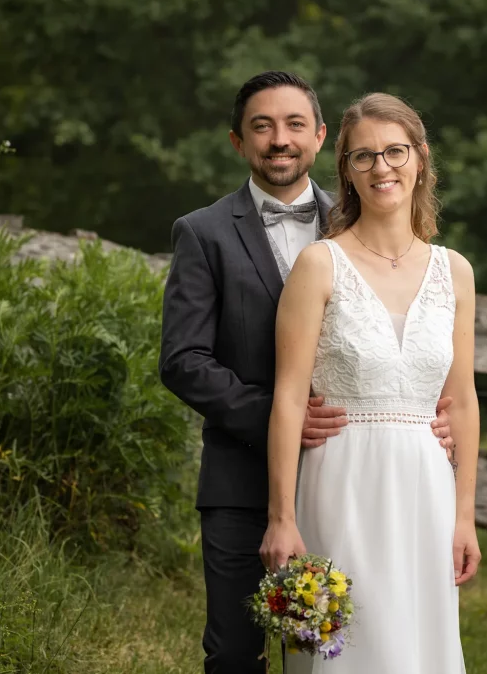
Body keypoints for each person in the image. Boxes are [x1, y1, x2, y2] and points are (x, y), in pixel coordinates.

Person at [158, 72, 455, 674]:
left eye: (295, 125)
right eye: (261, 127)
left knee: (351, 645)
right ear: (238, 142)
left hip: (355, 481)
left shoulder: (364, 223)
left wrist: (426, 416)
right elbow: (183, 361)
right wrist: (280, 419)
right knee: (237, 650)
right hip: (242, 480)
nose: (279, 140)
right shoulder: (203, 233)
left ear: (321, 140)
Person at [260, 92, 481, 673]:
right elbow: (288, 397)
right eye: (363, 157)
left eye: (395, 152)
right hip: (342, 482)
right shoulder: (320, 265)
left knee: (419, 650)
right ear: (348, 173)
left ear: (421, 158)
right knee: (349, 649)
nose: (382, 167)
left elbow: (462, 401)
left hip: (427, 490)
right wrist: (281, 517)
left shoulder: (454, 271)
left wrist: (464, 515)